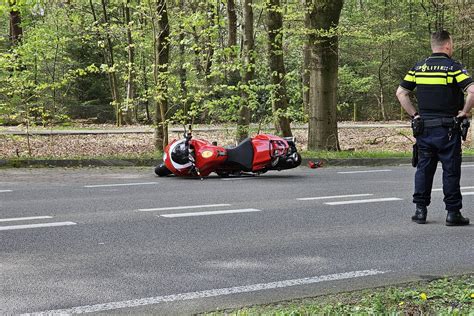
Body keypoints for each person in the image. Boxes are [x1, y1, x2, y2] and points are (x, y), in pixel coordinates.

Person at [396, 30, 474, 226]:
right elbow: (472, 90)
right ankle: (452, 213)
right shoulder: (453, 67)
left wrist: (415, 115)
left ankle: (420, 211)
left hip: (424, 129)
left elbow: (401, 93)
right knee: (450, 170)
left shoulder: (418, 68)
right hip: (448, 129)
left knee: (423, 169)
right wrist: (464, 111)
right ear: (447, 45)